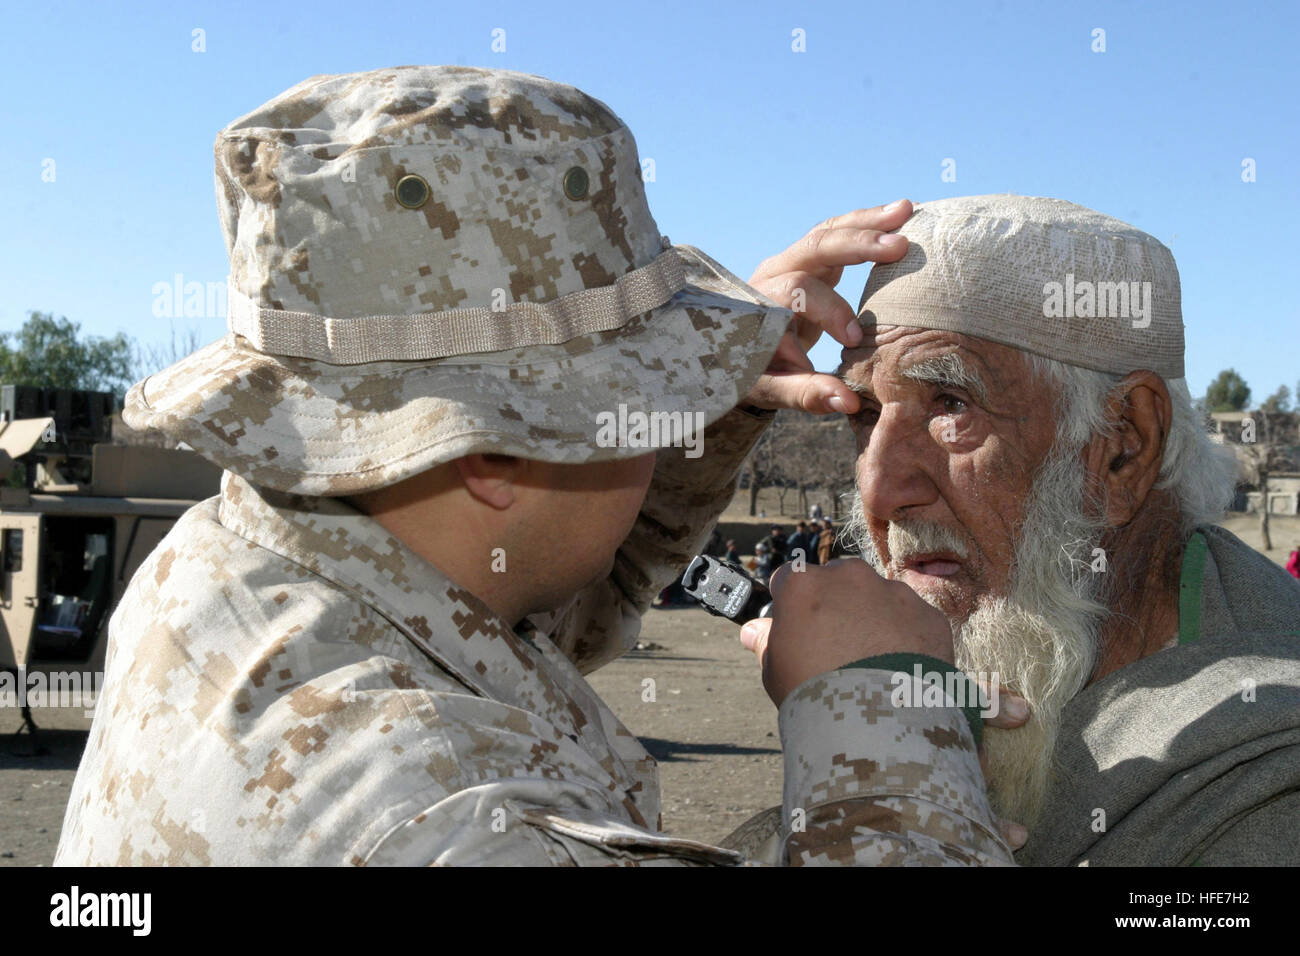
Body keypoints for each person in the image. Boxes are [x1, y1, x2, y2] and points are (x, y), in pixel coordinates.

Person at [55, 68, 1017, 867]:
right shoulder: (444, 820)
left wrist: (705, 406)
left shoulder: (245, 559)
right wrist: (886, 733)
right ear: (498, 452)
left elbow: (536, 590)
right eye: (644, 400)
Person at [740, 194, 1300, 866]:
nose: (878, 490)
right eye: (863, 415)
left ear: (1124, 446)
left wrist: (877, 750)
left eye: (951, 405)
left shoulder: (1266, 768)